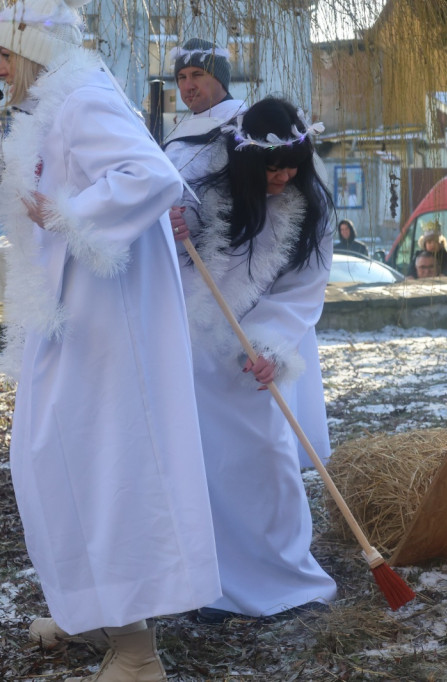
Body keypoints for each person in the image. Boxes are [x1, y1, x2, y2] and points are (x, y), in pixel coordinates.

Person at [0, 1, 220, 679]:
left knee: (104, 471)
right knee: (54, 466)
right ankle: (88, 608)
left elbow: (153, 178)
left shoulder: (83, 100)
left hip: (106, 323)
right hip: (72, 317)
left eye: (5, 54)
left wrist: (68, 214)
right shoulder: (56, 104)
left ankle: (134, 647)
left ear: (35, 49)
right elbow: (35, 204)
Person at [168, 97, 337, 624]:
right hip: (197, 346)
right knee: (202, 468)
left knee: (266, 458)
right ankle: (214, 586)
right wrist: (169, 234)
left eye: (292, 164)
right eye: (272, 166)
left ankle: (284, 578)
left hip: (258, 352)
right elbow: (165, 262)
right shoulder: (207, 191)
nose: (283, 176)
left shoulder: (312, 205)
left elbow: (306, 288)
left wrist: (272, 348)